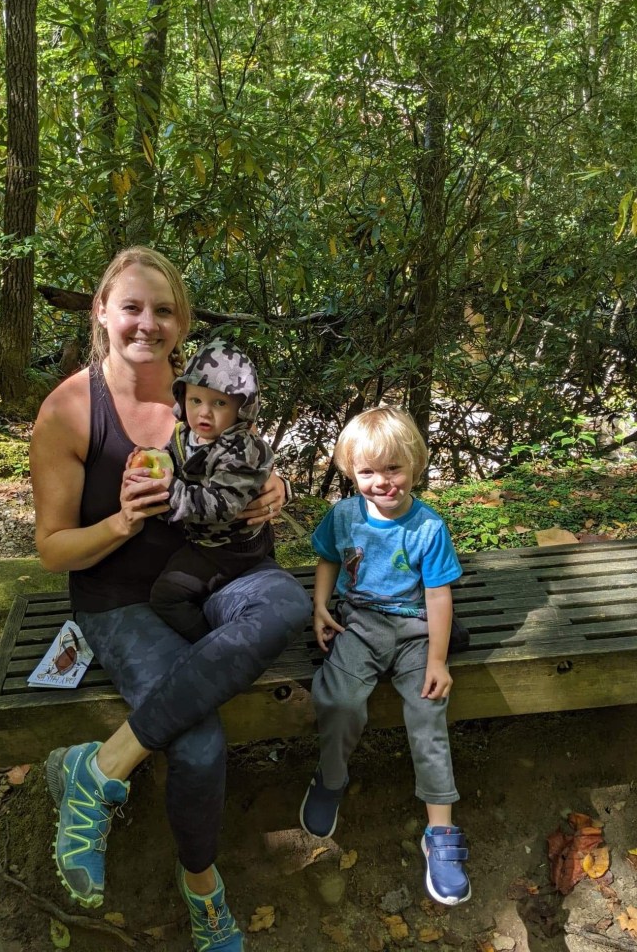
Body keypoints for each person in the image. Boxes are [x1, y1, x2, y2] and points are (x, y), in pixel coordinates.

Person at [29, 246, 311, 951]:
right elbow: (53, 549)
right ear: (102, 312)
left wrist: (274, 488)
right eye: (131, 307)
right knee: (198, 740)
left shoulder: (205, 391)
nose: (146, 324)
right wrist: (123, 522)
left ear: (181, 323)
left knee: (285, 605)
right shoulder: (70, 410)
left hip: (223, 573)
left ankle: (100, 767)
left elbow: (250, 458)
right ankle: (203, 887)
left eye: (163, 310)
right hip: (121, 599)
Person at [299, 405, 471, 906]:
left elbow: (438, 595)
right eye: (368, 472)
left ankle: (440, 831)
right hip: (360, 625)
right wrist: (319, 606)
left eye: (394, 468)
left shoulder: (428, 527)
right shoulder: (345, 515)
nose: (382, 482)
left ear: (415, 463)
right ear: (351, 473)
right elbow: (328, 557)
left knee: (428, 711)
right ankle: (331, 778)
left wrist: (437, 659)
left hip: (417, 633)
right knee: (338, 699)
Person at [129, 338, 276, 643]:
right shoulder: (186, 433)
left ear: (242, 408)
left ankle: (212, 645)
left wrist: (170, 490)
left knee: (166, 596)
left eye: (219, 403)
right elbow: (174, 459)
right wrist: (151, 459)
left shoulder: (240, 450)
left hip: (230, 546)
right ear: (182, 397)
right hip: (206, 539)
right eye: (195, 400)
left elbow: (221, 507)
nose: (204, 413)